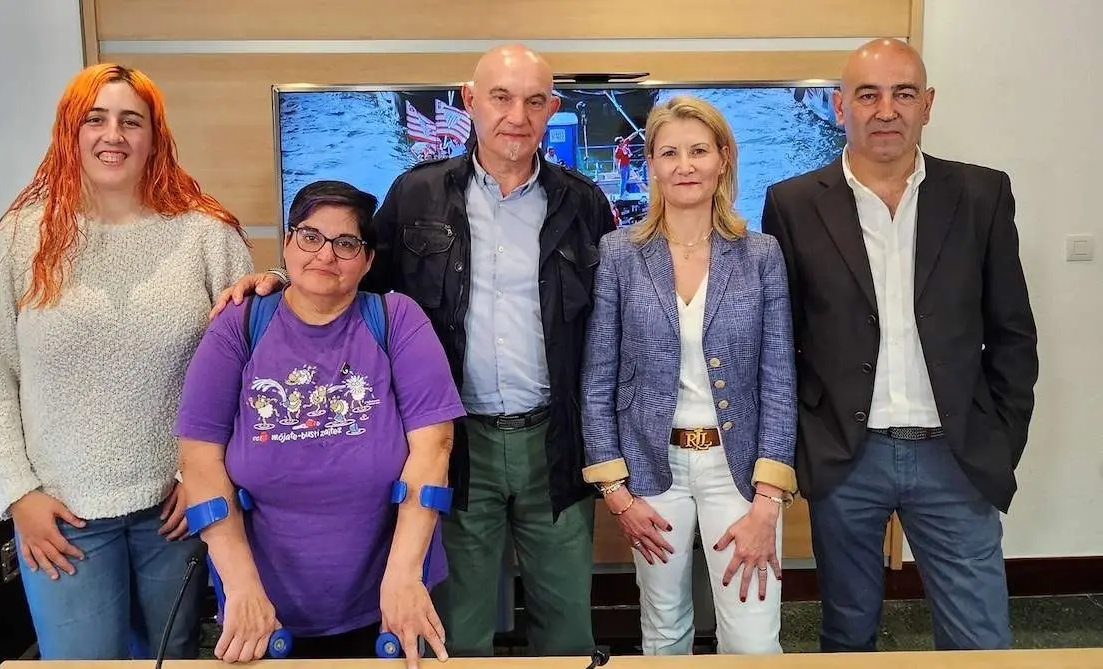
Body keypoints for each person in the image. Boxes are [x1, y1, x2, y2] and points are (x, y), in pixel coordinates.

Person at [210, 44, 616, 657]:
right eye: (501, 97)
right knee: (454, 629)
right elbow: (352, 279)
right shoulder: (418, 195)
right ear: (469, 101)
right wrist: (275, 278)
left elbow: (611, 318)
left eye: (535, 101)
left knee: (567, 630)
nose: (517, 115)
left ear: (553, 108)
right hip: (450, 445)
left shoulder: (584, 203)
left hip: (555, 443)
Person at [0, 63, 253, 660]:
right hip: (61, 519)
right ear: (70, 131)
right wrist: (18, 494)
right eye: (95, 119)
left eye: (130, 121)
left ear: (155, 137)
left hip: (174, 510)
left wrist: (199, 476)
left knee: (168, 656)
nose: (112, 135)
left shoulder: (207, 235)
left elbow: (246, 369)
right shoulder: (19, 242)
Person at [761, 38, 1038, 651]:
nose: (886, 110)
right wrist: (806, 442)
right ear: (840, 107)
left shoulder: (982, 195)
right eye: (868, 95)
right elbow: (784, 340)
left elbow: (1013, 332)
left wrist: (999, 438)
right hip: (845, 459)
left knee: (980, 640)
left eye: (903, 93)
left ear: (928, 104)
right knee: (848, 633)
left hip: (955, 457)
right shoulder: (794, 203)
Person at [175, 180, 465, 666]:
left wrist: (402, 576)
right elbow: (200, 460)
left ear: (368, 260)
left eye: (346, 243)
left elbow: (433, 449)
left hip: (389, 598)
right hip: (262, 606)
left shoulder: (397, 320)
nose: (325, 255)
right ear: (288, 244)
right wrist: (241, 586)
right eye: (310, 236)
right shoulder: (239, 324)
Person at [580, 96, 796, 656]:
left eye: (699, 150)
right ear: (650, 162)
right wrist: (617, 492)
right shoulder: (620, 254)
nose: (685, 165)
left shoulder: (760, 255)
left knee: (752, 638)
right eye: (669, 152)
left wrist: (768, 497)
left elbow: (778, 378)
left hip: (739, 472)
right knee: (665, 629)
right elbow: (598, 377)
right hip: (654, 474)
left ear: (723, 158)